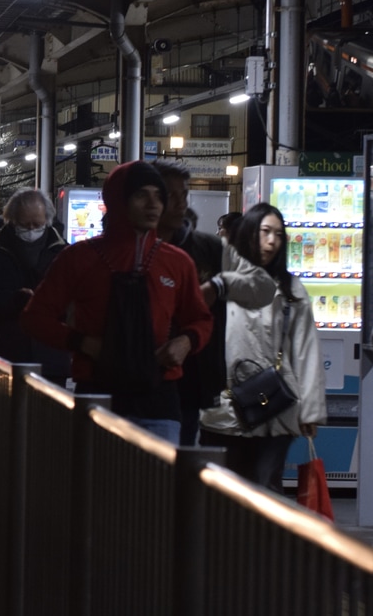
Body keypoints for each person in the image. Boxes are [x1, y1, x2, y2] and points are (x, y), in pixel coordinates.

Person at [19, 160, 213, 443]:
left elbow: (201, 318)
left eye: (158, 196)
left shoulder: (177, 262)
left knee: (155, 485)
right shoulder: (80, 258)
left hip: (159, 398)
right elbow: (34, 318)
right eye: (141, 195)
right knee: (97, 485)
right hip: (97, 393)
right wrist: (81, 342)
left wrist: (187, 341)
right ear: (118, 200)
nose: (153, 204)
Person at [199, 203, 326, 493]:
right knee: (224, 493)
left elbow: (305, 350)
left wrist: (311, 411)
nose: (272, 241)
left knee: (267, 490)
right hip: (223, 408)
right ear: (247, 235)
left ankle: (262, 541)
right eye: (265, 232)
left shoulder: (292, 289)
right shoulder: (219, 284)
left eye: (278, 235)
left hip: (276, 408)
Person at [152, 157, 276, 446]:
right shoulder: (131, 247)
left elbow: (264, 287)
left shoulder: (209, 248)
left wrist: (220, 284)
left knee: (178, 462)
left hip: (192, 377)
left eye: (184, 193)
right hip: (132, 379)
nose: (181, 202)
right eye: (171, 194)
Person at [0, 188, 70, 382]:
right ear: (12, 220)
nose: (31, 230)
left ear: (47, 220)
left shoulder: (64, 252)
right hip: (6, 353)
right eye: (25, 224)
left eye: (37, 224)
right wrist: (13, 299)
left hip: (51, 357)